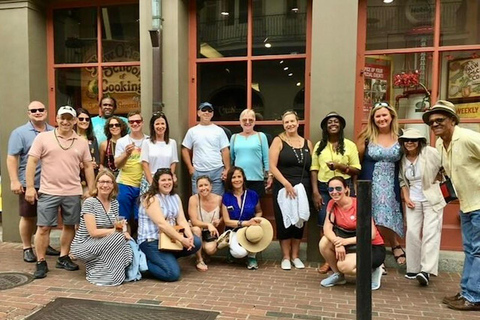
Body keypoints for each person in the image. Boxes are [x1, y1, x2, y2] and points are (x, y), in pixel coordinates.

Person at [423, 100, 480, 311]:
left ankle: (474, 297)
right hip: (466, 203)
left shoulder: (467, 138)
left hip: (478, 202)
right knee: (471, 250)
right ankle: (467, 291)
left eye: (440, 120)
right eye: (432, 122)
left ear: (453, 121)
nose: (435, 125)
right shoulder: (440, 143)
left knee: (477, 251)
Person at [25, 106, 95, 279]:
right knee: (43, 228)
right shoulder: (43, 138)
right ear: (56, 119)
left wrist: (92, 188)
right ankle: (41, 261)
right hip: (49, 191)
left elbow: (87, 166)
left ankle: (63, 256)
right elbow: (32, 162)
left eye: (69, 119)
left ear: (74, 121)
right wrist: (30, 187)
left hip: (72, 191)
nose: (65, 122)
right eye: (62, 118)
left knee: (70, 225)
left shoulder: (81, 141)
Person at [6, 101, 60, 263]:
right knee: (28, 216)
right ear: (28, 113)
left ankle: (44, 244)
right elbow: (12, 158)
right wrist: (14, 181)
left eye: (41, 109)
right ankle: (27, 247)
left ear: (46, 112)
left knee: (48, 218)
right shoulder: (19, 133)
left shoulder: (54, 131)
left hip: (50, 183)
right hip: (29, 182)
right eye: (33, 110)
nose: (37, 112)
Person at [310, 112, 361, 274]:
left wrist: (340, 166)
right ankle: (328, 260)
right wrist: (315, 192)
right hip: (325, 189)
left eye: (336, 121)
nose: (333, 124)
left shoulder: (349, 145)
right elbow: (314, 169)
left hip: (344, 188)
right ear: (325, 126)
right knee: (324, 222)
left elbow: (356, 169)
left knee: (345, 223)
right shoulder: (319, 146)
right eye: (329, 122)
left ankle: (346, 257)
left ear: (341, 125)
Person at [357, 102, 405, 267]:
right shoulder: (366, 137)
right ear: (373, 119)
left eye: (384, 115)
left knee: (390, 214)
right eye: (378, 116)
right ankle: (378, 252)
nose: (382, 118)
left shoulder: (401, 135)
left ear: (391, 116)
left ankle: (394, 243)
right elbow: (358, 161)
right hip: (372, 181)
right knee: (374, 216)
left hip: (392, 182)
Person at [319, 176, 385, 290]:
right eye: (331, 189)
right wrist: (337, 243)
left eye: (338, 188)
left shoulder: (359, 204)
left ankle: (373, 270)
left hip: (371, 246)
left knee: (343, 266)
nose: (334, 192)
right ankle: (338, 275)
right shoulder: (332, 204)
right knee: (324, 242)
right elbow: (327, 228)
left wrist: (344, 242)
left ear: (346, 189)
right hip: (350, 243)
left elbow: (371, 234)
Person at [398, 128, 445, 286]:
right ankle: (413, 267)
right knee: (411, 232)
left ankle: (426, 270)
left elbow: (445, 164)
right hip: (414, 199)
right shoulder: (403, 159)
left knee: (430, 233)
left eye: (413, 140)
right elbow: (402, 180)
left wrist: (441, 176)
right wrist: (406, 196)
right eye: (406, 140)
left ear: (420, 142)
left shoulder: (429, 152)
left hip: (432, 197)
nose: (410, 143)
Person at [70, 170, 133, 286]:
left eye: (109, 182)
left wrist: (123, 230)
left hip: (103, 242)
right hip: (84, 244)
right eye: (102, 182)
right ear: (97, 184)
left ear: (113, 185)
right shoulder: (90, 202)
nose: (105, 185)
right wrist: (116, 232)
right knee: (119, 239)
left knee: (128, 246)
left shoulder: (114, 203)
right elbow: (93, 232)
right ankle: (95, 272)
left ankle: (110, 274)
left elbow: (116, 224)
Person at [138, 168, 201, 282]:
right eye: (163, 180)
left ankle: (166, 260)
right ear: (157, 182)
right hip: (151, 241)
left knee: (196, 242)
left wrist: (189, 236)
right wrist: (182, 240)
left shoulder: (175, 197)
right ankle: (143, 265)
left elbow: (181, 219)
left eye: (169, 179)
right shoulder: (150, 198)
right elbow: (162, 224)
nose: (167, 182)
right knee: (172, 274)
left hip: (168, 239)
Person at [269, 110, 313, 271]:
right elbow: (272, 166)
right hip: (284, 187)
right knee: (284, 221)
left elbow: (311, 167)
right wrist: (286, 184)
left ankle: (295, 256)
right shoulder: (278, 141)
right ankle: (286, 256)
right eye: (286, 122)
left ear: (298, 122)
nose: (290, 124)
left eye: (292, 121)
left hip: (303, 188)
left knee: (299, 221)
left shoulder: (307, 143)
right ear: (283, 125)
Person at [221, 166, 271, 270]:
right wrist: (245, 223)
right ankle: (232, 251)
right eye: (233, 177)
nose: (237, 180)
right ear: (230, 180)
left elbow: (259, 211)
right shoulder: (226, 197)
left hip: (250, 229)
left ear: (243, 178)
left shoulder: (253, 194)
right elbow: (227, 221)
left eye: (239, 176)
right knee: (239, 253)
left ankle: (252, 257)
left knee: (256, 232)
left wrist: (256, 220)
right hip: (234, 230)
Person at [182, 102, 230, 195]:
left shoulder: (219, 131)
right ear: (198, 113)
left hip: (217, 171)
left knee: (218, 200)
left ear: (212, 114)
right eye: (204, 110)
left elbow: (225, 150)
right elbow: (184, 149)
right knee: (198, 201)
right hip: (199, 172)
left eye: (209, 110)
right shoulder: (192, 131)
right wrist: (190, 168)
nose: (207, 112)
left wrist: (227, 169)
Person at [114, 111, 148, 236]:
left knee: (142, 219)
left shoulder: (149, 140)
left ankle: (140, 248)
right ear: (128, 124)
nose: (135, 124)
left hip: (143, 186)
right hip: (124, 184)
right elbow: (117, 165)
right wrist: (126, 154)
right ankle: (119, 243)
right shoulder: (122, 141)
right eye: (132, 122)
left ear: (142, 123)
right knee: (121, 218)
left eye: (138, 121)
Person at [230, 109, 272, 197]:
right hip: (238, 179)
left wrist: (270, 175)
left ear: (254, 121)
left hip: (256, 178)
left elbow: (266, 158)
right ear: (240, 121)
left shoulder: (261, 136)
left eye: (250, 120)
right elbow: (231, 159)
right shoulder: (234, 137)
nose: (247, 122)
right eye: (244, 120)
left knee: (256, 207)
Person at [188, 175, 223, 271]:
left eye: (206, 185)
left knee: (210, 249)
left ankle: (204, 252)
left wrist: (219, 221)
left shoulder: (219, 199)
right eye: (200, 186)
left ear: (211, 186)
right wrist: (208, 224)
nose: (203, 188)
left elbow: (225, 216)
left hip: (210, 233)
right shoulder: (193, 199)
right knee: (196, 229)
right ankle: (199, 259)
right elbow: (194, 221)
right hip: (197, 230)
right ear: (197, 188)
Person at [140, 112, 178, 194]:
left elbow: (173, 163)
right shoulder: (146, 143)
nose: (160, 127)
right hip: (151, 180)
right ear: (153, 126)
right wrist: (152, 183)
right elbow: (144, 164)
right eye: (157, 124)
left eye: (162, 124)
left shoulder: (172, 143)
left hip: (166, 182)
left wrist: (170, 179)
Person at [75, 108, 100, 186]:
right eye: (81, 119)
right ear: (75, 120)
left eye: (87, 119)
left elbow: (97, 158)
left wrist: (95, 164)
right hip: (76, 176)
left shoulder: (92, 139)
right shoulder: (71, 137)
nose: (84, 121)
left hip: (91, 175)